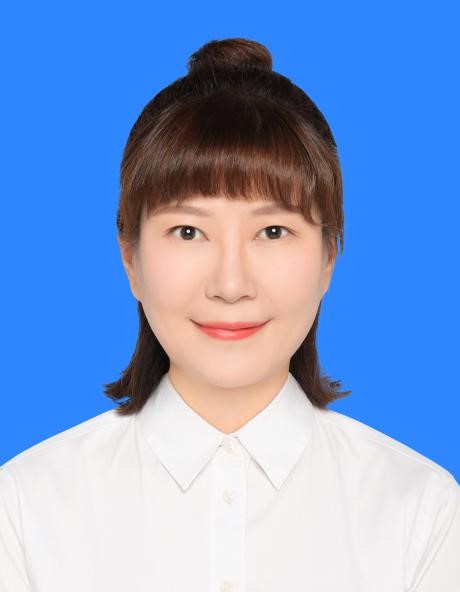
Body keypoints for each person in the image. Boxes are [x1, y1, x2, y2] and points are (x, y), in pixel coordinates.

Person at [0, 37, 458, 592]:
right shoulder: (23, 509)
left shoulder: (423, 511)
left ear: (328, 258)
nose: (231, 285)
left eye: (273, 231)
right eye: (188, 231)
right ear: (130, 259)